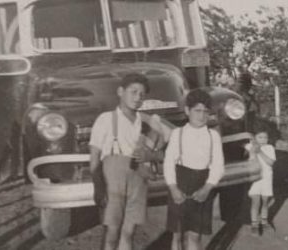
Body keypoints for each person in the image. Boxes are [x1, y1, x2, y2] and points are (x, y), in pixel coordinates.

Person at [89, 73, 169, 250]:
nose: (137, 97)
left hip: (138, 181)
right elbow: (94, 157)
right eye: (133, 92)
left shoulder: (147, 122)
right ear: (120, 92)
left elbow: (164, 152)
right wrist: (98, 187)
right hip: (113, 181)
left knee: (129, 232)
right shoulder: (105, 119)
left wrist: (151, 156)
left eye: (141, 94)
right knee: (112, 231)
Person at [164, 89, 225, 250]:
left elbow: (218, 165)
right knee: (177, 234)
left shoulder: (213, 136)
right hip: (180, 182)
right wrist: (173, 188)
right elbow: (169, 162)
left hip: (203, 184)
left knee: (195, 235)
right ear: (187, 111)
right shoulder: (178, 133)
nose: (201, 115)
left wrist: (207, 187)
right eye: (197, 110)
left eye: (206, 111)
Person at [246, 126, 276, 234]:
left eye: (265, 137)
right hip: (255, 179)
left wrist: (260, 152)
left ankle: (264, 221)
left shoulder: (270, 148)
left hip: (267, 179)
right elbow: (249, 160)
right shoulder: (250, 147)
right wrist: (253, 149)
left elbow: (270, 162)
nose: (263, 140)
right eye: (260, 137)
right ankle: (254, 224)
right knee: (255, 202)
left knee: (265, 202)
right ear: (255, 138)